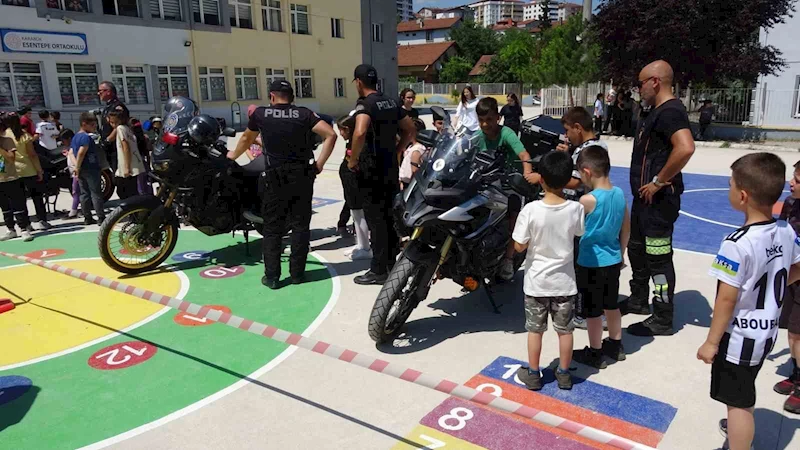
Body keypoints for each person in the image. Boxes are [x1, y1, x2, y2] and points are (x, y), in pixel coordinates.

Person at [697, 153, 800, 450]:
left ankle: (740, 443)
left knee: (737, 404)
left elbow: (726, 299)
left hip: (738, 337)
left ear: (742, 196)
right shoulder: (785, 230)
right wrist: (772, 291)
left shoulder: (736, 242)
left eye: (730, 185)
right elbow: (795, 268)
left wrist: (711, 342)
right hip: (765, 333)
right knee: (744, 390)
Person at [228, 80, 337, 289]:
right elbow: (330, 134)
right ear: (292, 97)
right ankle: (297, 274)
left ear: (271, 96)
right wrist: (319, 165)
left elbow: (245, 139)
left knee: (272, 228)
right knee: (300, 226)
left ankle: (272, 277)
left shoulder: (260, 114)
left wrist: (233, 155)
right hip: (302, 176)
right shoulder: (304, 114)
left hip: (274, 177)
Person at [625, 60, 696, 337]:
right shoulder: (653, 111)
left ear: (655, 81)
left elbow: (686, 148)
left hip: (658, 203)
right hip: (643, 201)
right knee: (636, 249)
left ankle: (662, 317)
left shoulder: (671, 112)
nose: (638, 89)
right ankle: (638, 300)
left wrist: (658, 181)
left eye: (640, 83)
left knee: (658, 258)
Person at [513, 151, 585, 391]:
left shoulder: (531, 211)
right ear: (567, 180)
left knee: (535, 330)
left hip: (536, 283)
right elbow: (578, 233)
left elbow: (519, 245)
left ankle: (534, 373)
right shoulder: (576, 209)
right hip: (564, 283)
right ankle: (564, 373)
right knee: (565, 331)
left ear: (540, 178)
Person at [349, 64, 416, 285]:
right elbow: (409, 129)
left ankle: (379, 270)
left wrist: (353, 159)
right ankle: (391, 262)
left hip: (371, 170)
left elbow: (359, 132)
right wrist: (398, 150)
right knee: (389, 217)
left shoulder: (365, 104)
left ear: (358, 82)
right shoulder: (391, 101)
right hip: (389, 167)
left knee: (376, 220)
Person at [571, 146, 630, 369]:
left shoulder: (587, 200)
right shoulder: (619, 194)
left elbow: (573, 229)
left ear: (587, 172)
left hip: (590, 263)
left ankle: (595, 351)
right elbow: (626, 228)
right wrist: (621, 253)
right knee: (611, 305)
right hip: (613, 260)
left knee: (592, 312)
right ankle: (615, 344)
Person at [473, 97, 536, 281]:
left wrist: (527, 173)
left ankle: (508, 258)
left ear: (498, 118)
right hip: (484, 182)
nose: (485, 124)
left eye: (489, 119)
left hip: (509, 183)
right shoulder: (477, 137)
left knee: (514, 216)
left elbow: (524, 154)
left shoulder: (506, 133)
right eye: (481, 120)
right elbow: (463, 151)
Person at [774, 160, 800, 414]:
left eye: (798, 180)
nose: (791, 183)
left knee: (797, 334)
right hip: (791, 275)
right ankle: (796, 373)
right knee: (791, 332)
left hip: (796, 276)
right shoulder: (791, 204)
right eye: (793, 177)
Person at [5, 113, 49, 230]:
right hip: (28, 169)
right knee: (37, 196)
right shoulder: (24, 135)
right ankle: (42, 220)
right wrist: (39, 170)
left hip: (13, 171)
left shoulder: (5, 135)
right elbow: (32, 155)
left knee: (20, 200)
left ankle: (26, 224)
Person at [337, 114, 371, 261]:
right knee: (355, 214)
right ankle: (360, 244)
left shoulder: (358, 146)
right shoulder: (350, 143)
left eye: (341, 130)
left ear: (347, 129)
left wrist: (351, 165)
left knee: (359, 214)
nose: (340, 134)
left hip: (356, 183)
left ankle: (365, 247)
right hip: (350, 183)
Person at [0, 112, 34, 242]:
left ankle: (24, 229)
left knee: (18, 204)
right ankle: (10, 229)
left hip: (11, 177)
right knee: (5, 206)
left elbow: (10, 158)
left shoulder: (7, 141)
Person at [72, 112, 106, 225]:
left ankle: (87, 217)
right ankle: (100, 216)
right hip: (90, 167)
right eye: (92, 125)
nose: (94, 127)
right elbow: (82, 152)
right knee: (95, 192)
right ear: (84, 124)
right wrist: (77, 166)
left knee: (84, 193)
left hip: (81, 169)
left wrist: (76, 166)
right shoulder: (86, 138)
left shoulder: (75, 137)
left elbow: (71, 153)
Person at [108, 111, 145, 201]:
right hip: (134, 163)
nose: (112, 125)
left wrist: (127, 167)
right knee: (131, 190)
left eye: (113, 122)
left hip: (127, 165)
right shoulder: (127, 128)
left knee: (123, 191)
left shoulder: (120, 129)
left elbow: (126, 147)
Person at [98, 81, 129, 170]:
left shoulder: (117, 107)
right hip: (110, 148)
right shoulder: (108, 107)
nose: (98, 93)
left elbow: (119, 126)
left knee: (120, 176)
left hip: (116, 146)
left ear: (108, 91)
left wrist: (108, 140)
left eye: (101, 91)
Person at [59, 128, 81, 219]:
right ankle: (77, 209)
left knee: (76, 191)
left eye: (63, 141)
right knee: (77, 192)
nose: (63, 143)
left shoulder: (75, 146)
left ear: (69, 138)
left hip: (77, 172)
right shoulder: (72, 146)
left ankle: (74, 211)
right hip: (74, 172)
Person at [399, 119, 427, 188]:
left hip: (409, 184)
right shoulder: (411, 146)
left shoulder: (416, 150)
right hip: (404, 182)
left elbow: (414, 171)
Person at [130, 118, 152, 196]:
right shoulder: (145, 137)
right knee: (147, 181)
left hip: (136, 161)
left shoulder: (132, 138)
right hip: (144, 160)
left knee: (139, 182)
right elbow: (148, 151)